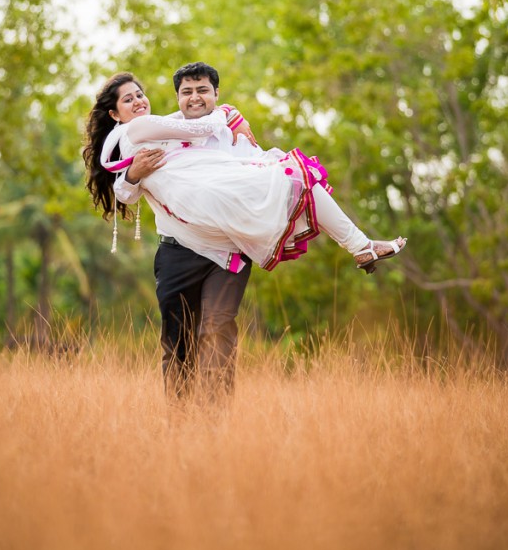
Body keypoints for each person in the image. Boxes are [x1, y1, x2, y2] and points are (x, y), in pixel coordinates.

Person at [83, 64, 406, 399]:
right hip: (179, 250)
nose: (195, 97)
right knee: (178, 341)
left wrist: (232, 119)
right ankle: (179, 424)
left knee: (217, 328)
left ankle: (215, 421)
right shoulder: (159, 130)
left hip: (227, 250)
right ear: (176, 98)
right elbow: (124, 192)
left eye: (203, 91)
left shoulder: (227, 132)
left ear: (215, 93)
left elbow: (255, 169)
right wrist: (134, 172)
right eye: (187, 92)